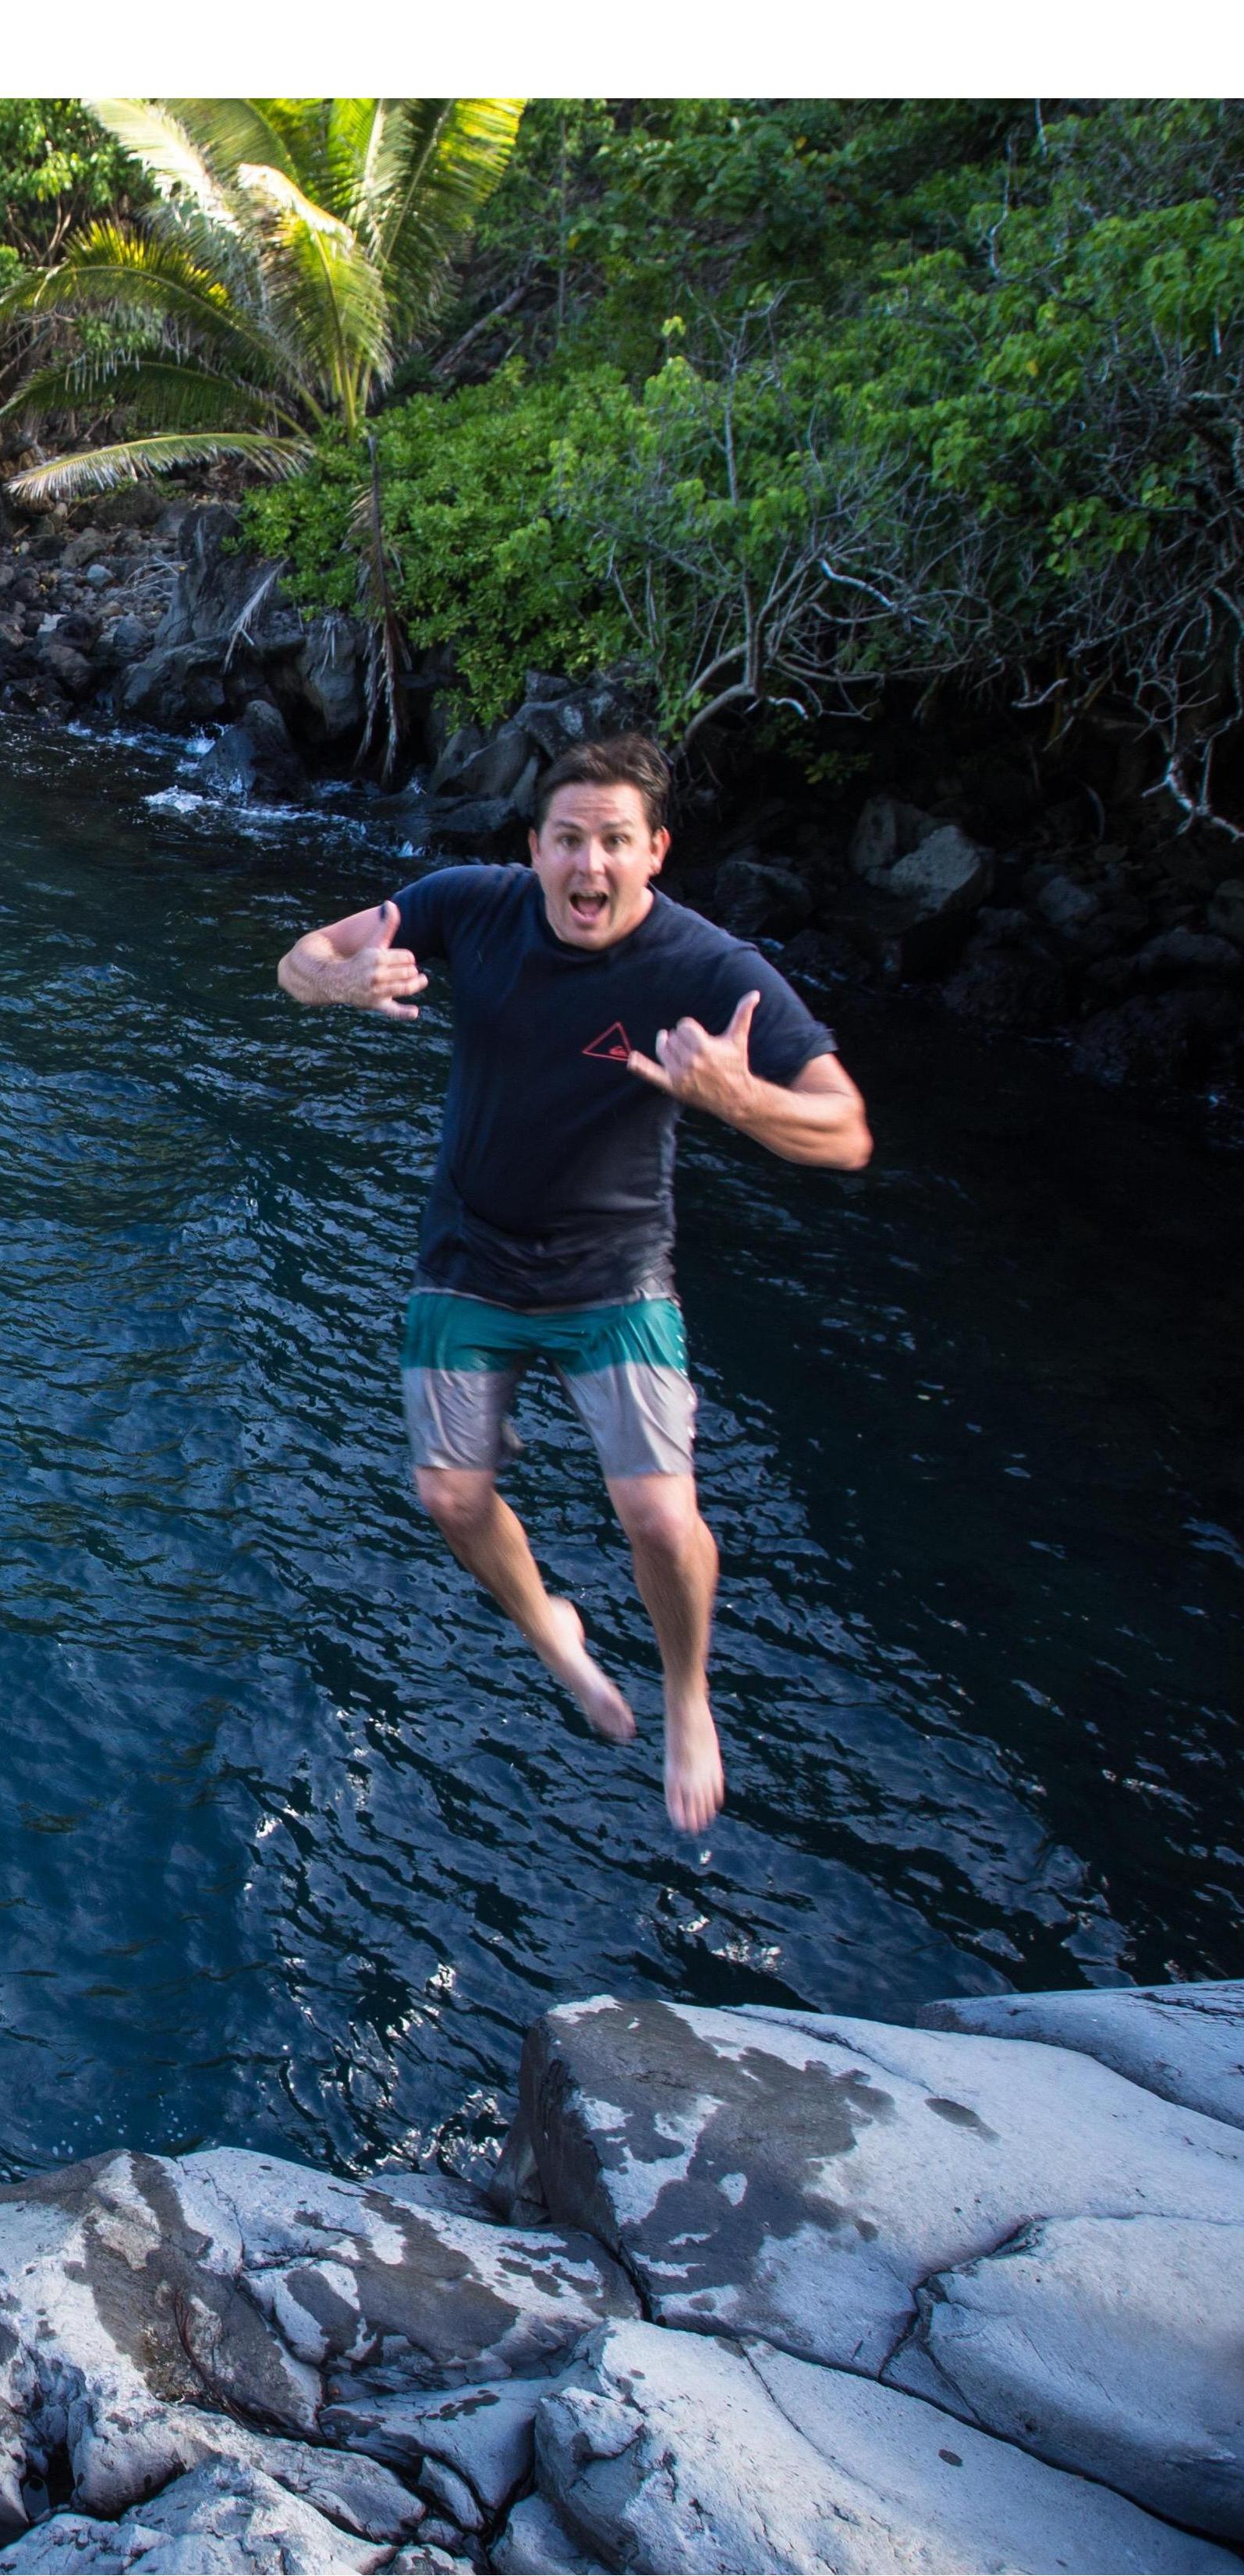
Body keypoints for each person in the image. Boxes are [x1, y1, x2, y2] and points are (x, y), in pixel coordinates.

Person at [273, 734, 872, 1833]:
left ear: (653, 852)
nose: (586, 867)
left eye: (612, 843)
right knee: (449, 1496)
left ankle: (685, 1689)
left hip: (614, 1273)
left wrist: (744, 1104)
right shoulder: (471, 902)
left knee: (655, 1512)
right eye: (565, 840)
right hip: (468, 1255)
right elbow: (300, 955)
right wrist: (338, 981)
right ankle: (550, 1627)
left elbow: (844, 1134)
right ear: (533, 846)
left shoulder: (707, 967)